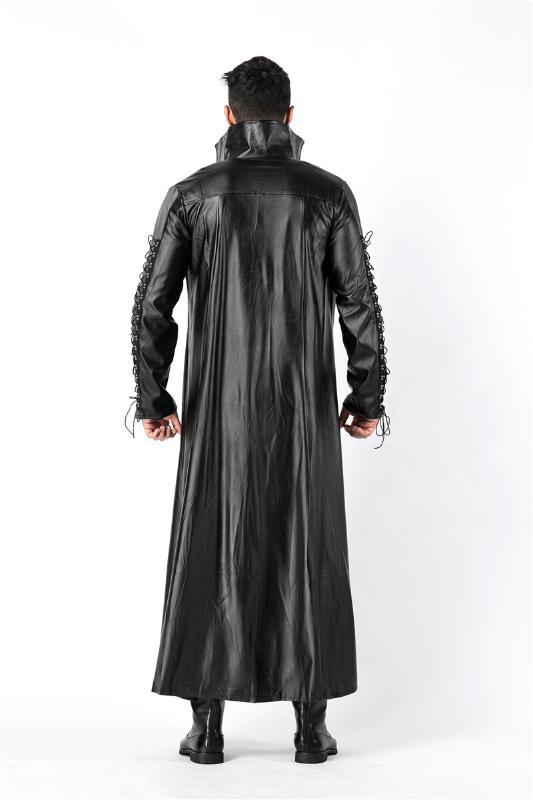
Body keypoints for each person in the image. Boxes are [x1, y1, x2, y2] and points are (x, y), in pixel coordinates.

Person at [125, 55, 390, 765]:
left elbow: (153, 303)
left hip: (218, 409)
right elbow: (358, 303)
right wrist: (366, 397)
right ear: (290, 116)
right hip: (303, 410)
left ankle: (207, 731)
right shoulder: (328, 193)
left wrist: (154, 397)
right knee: (308, 548)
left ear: (228, 117)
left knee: (210, 545)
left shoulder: (192, 194)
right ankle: (310, 731)